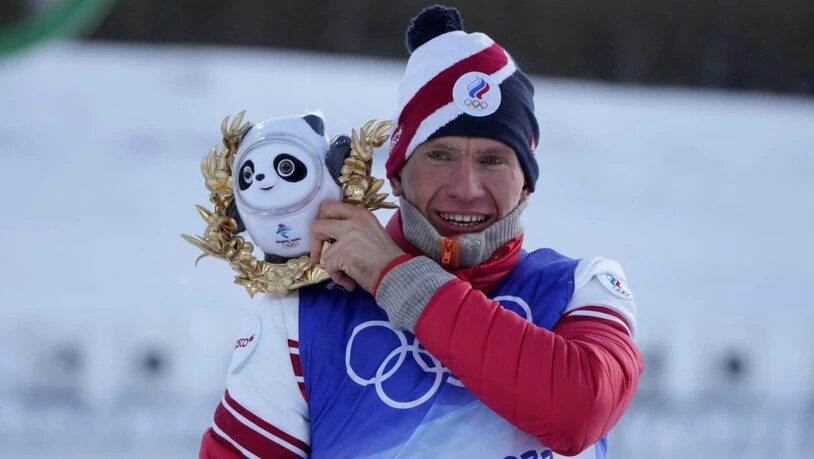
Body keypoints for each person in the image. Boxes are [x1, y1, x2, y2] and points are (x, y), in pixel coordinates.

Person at [199, 5, 643, 459]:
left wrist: (396, 276)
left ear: (526, 182)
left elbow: (579, 411)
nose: (466, 189)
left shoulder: (579, 288)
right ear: (395, 176)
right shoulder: (299, 318)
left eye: (493, 160)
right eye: (439, 156)